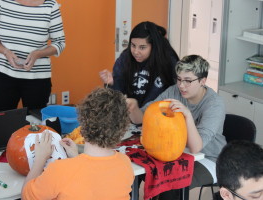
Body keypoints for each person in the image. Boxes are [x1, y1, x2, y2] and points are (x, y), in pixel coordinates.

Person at [127, 55, 227, 198]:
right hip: (176, 151)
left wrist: (187, 115)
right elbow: (144, 116)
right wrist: (134, 108)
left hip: (209, 158)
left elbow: (196, 147)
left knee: (169, 186)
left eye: (188, 81)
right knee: (134, 172)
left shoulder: (214, 104)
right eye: (179, 79)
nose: (181, 85)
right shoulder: (174, 91)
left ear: (202, 81)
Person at [22, 88, 134, 200]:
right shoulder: (125, 163)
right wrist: (76, 158)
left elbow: (26, 197)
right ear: (122, 128)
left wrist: (40, 159)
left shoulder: (60, 170)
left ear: (82, 123)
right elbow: (94, 182)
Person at [0, 0, 65, 112]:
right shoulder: (2, 2)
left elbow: (60, 42)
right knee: (3, 124)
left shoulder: (51, 5)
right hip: (4, 76)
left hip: (37, 79)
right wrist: (6, 52)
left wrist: (37, 54)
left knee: (35, 124)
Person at [99, 21, 179, 108]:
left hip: (157, 114)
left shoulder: (167, 59)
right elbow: (118, 96)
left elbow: (175, 91)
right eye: (133, 45)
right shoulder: (125, 58)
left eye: (142, 47)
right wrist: (112, 83)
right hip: (130, 114)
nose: (136, 52)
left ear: (154, 46)